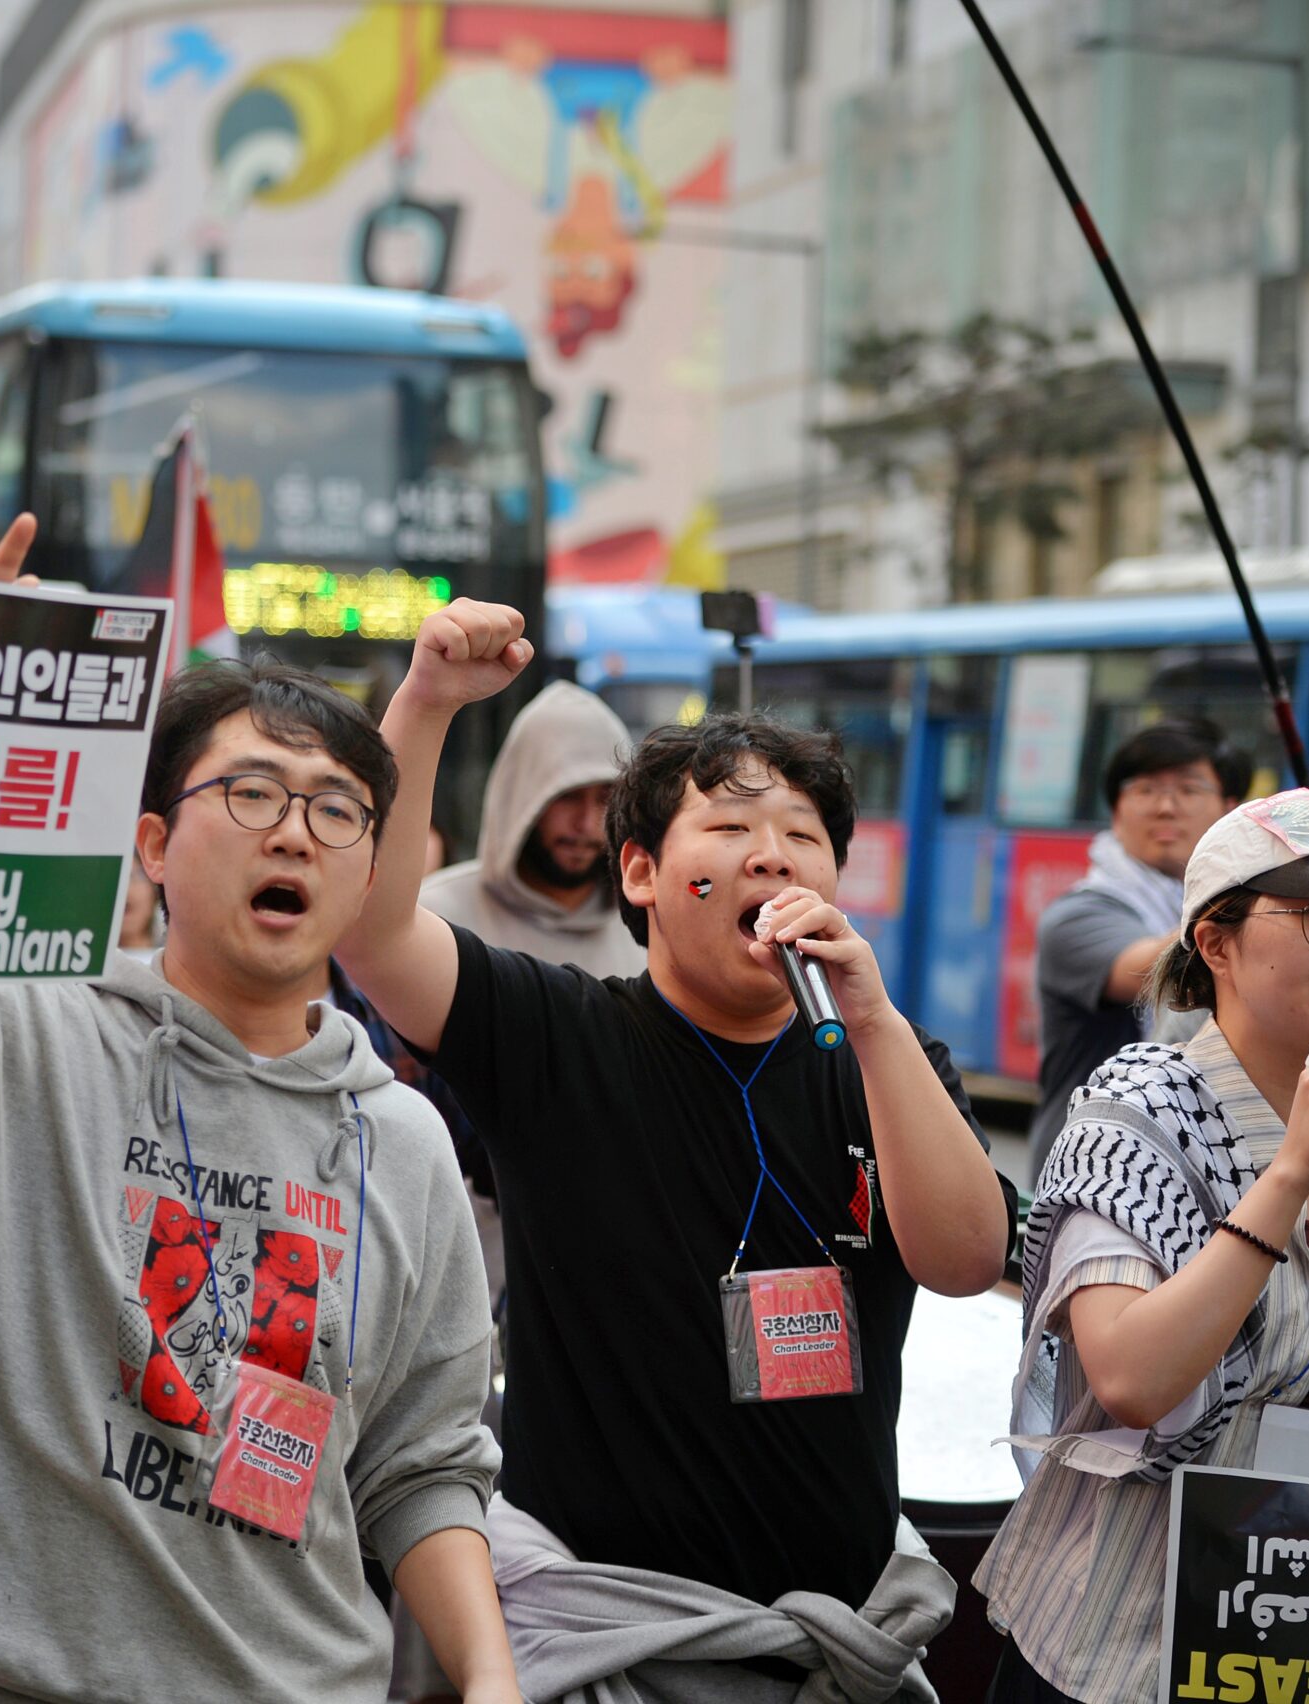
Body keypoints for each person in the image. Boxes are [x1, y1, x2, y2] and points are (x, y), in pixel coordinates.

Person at [0, 520, 514, 1703]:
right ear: (150, 842)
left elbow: (422, 1465)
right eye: (251, 791)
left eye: (336, 811)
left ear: (366, 873)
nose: (294, 828)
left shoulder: (400, 1142)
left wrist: (493, 1679)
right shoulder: (10, 1035)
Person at [339, 601, 1010, 1697]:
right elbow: (371, 935)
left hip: (839, 1644)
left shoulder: (883, 1061)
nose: (771, 858)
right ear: (641, 874)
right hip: (609, 1641)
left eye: (802, 837)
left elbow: (967, 1260)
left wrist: (875, 1023)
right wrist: (424, 705)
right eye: (730, 833)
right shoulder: (560, 1034)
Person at [977, 790, 1309, 1703]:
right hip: (1117, 1648)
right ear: (1215, 943)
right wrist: (1291, 1172)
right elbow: (1132, 1380)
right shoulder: (1134, 1119)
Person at [1030, 719, 1246, 1180]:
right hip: (1093, 1171)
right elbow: (1155, 968)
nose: (1166, 807)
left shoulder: (1229, 908)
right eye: (1146, 789)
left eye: (1189, 790)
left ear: (1229, 810)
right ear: (1116, 811)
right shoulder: (1076, 915)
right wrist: (1248, 883)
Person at [420, 680, 640, 979]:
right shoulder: (437, 920)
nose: (586, 823)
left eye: (605, 799)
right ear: (523, 796)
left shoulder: (649, 930)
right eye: (567, 796)